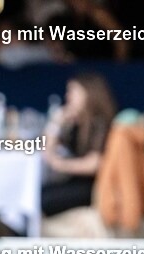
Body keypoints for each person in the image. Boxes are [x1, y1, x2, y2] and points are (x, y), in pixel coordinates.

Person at [41, 72, 116, 216]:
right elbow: (46, 149)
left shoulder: (100, 123)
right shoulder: (76, 124)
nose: (68, 96)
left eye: (73, 91)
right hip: (74, 181)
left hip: (94, 186)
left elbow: (95, 163)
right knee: (37, 194)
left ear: (89, 93)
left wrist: (60, 164)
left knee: (44, 200)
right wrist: (56, 123)